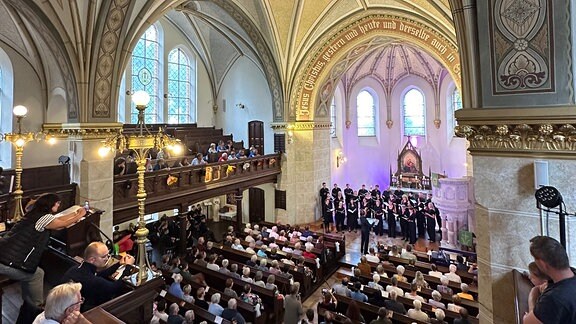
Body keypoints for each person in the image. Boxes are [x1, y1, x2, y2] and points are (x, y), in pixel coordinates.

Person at [0, 193, 86, 308]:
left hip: (5, 254)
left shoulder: (35, 214)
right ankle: (36, 307)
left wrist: (74, 214)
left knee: (36, 273)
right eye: (58, 203)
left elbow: (58, 220)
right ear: (51, 203)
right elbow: (62, 224)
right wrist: (80, 215)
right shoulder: (44, 218)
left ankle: (29, 304)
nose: (59, 205)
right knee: (36, 275)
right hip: (9, 260)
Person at [60, 241, 135, 311]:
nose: (107, 259)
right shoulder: (91, 280)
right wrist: (128, 267)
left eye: (108, 255)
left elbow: (98, 275)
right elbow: (115, 288)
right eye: (103, 257)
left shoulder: (77, 268)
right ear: (92, 260)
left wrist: (118, 264)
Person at [523, 236, 576, 324]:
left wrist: (533, 294)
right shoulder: (572, 273)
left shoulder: (554, 298)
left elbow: (528, 321)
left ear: (542, 264)